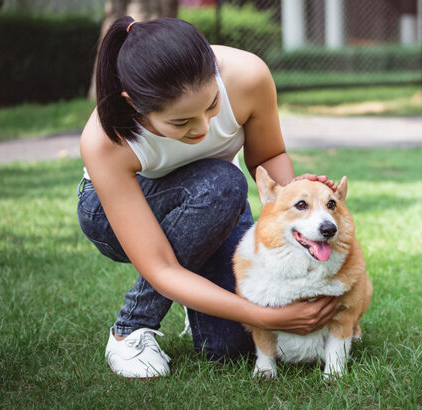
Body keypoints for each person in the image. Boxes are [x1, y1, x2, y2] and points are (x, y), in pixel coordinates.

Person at [77, 16, 340, 378]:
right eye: (181, 123)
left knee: (230, 347)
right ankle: (130, 331)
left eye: (213, 105)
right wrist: (265, 316)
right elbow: (161, 267)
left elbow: (266, 156)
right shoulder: (105, 140)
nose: (202, 129)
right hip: (113, 217)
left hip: (212, 207)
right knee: (223, 183)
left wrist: (297, 200)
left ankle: (196, 281)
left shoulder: (248, 76)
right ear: (134, 104)